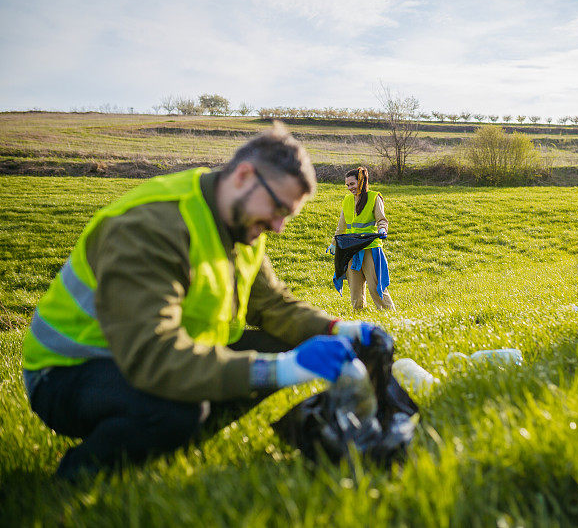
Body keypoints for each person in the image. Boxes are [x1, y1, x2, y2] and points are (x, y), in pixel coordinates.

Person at [21, 122, 380, 480]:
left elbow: (273, 306)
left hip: (152, 351)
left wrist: (340, 329)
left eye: (286, 215)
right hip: (70, 369)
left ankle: (171, 442)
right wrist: (280, 370)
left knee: (281, 342)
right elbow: (153, 356)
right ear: (243, 176)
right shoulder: (152, 226)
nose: (278, 226)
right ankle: (83, 474)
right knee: (177, 413)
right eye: (277, 209)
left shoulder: (241, 223)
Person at [327, 167, 395, 310]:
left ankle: (389, 313)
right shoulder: (347, 200)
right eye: (347, 185)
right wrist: (334, 243)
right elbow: (341, 226)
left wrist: (382, 229)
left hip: (370, 247)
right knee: (355, 288)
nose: (349, 188)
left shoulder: (374, 197)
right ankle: (358, 314)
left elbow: (382, 219)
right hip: (351, 249)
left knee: (375, 285)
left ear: (361, 181)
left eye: (352, 184)